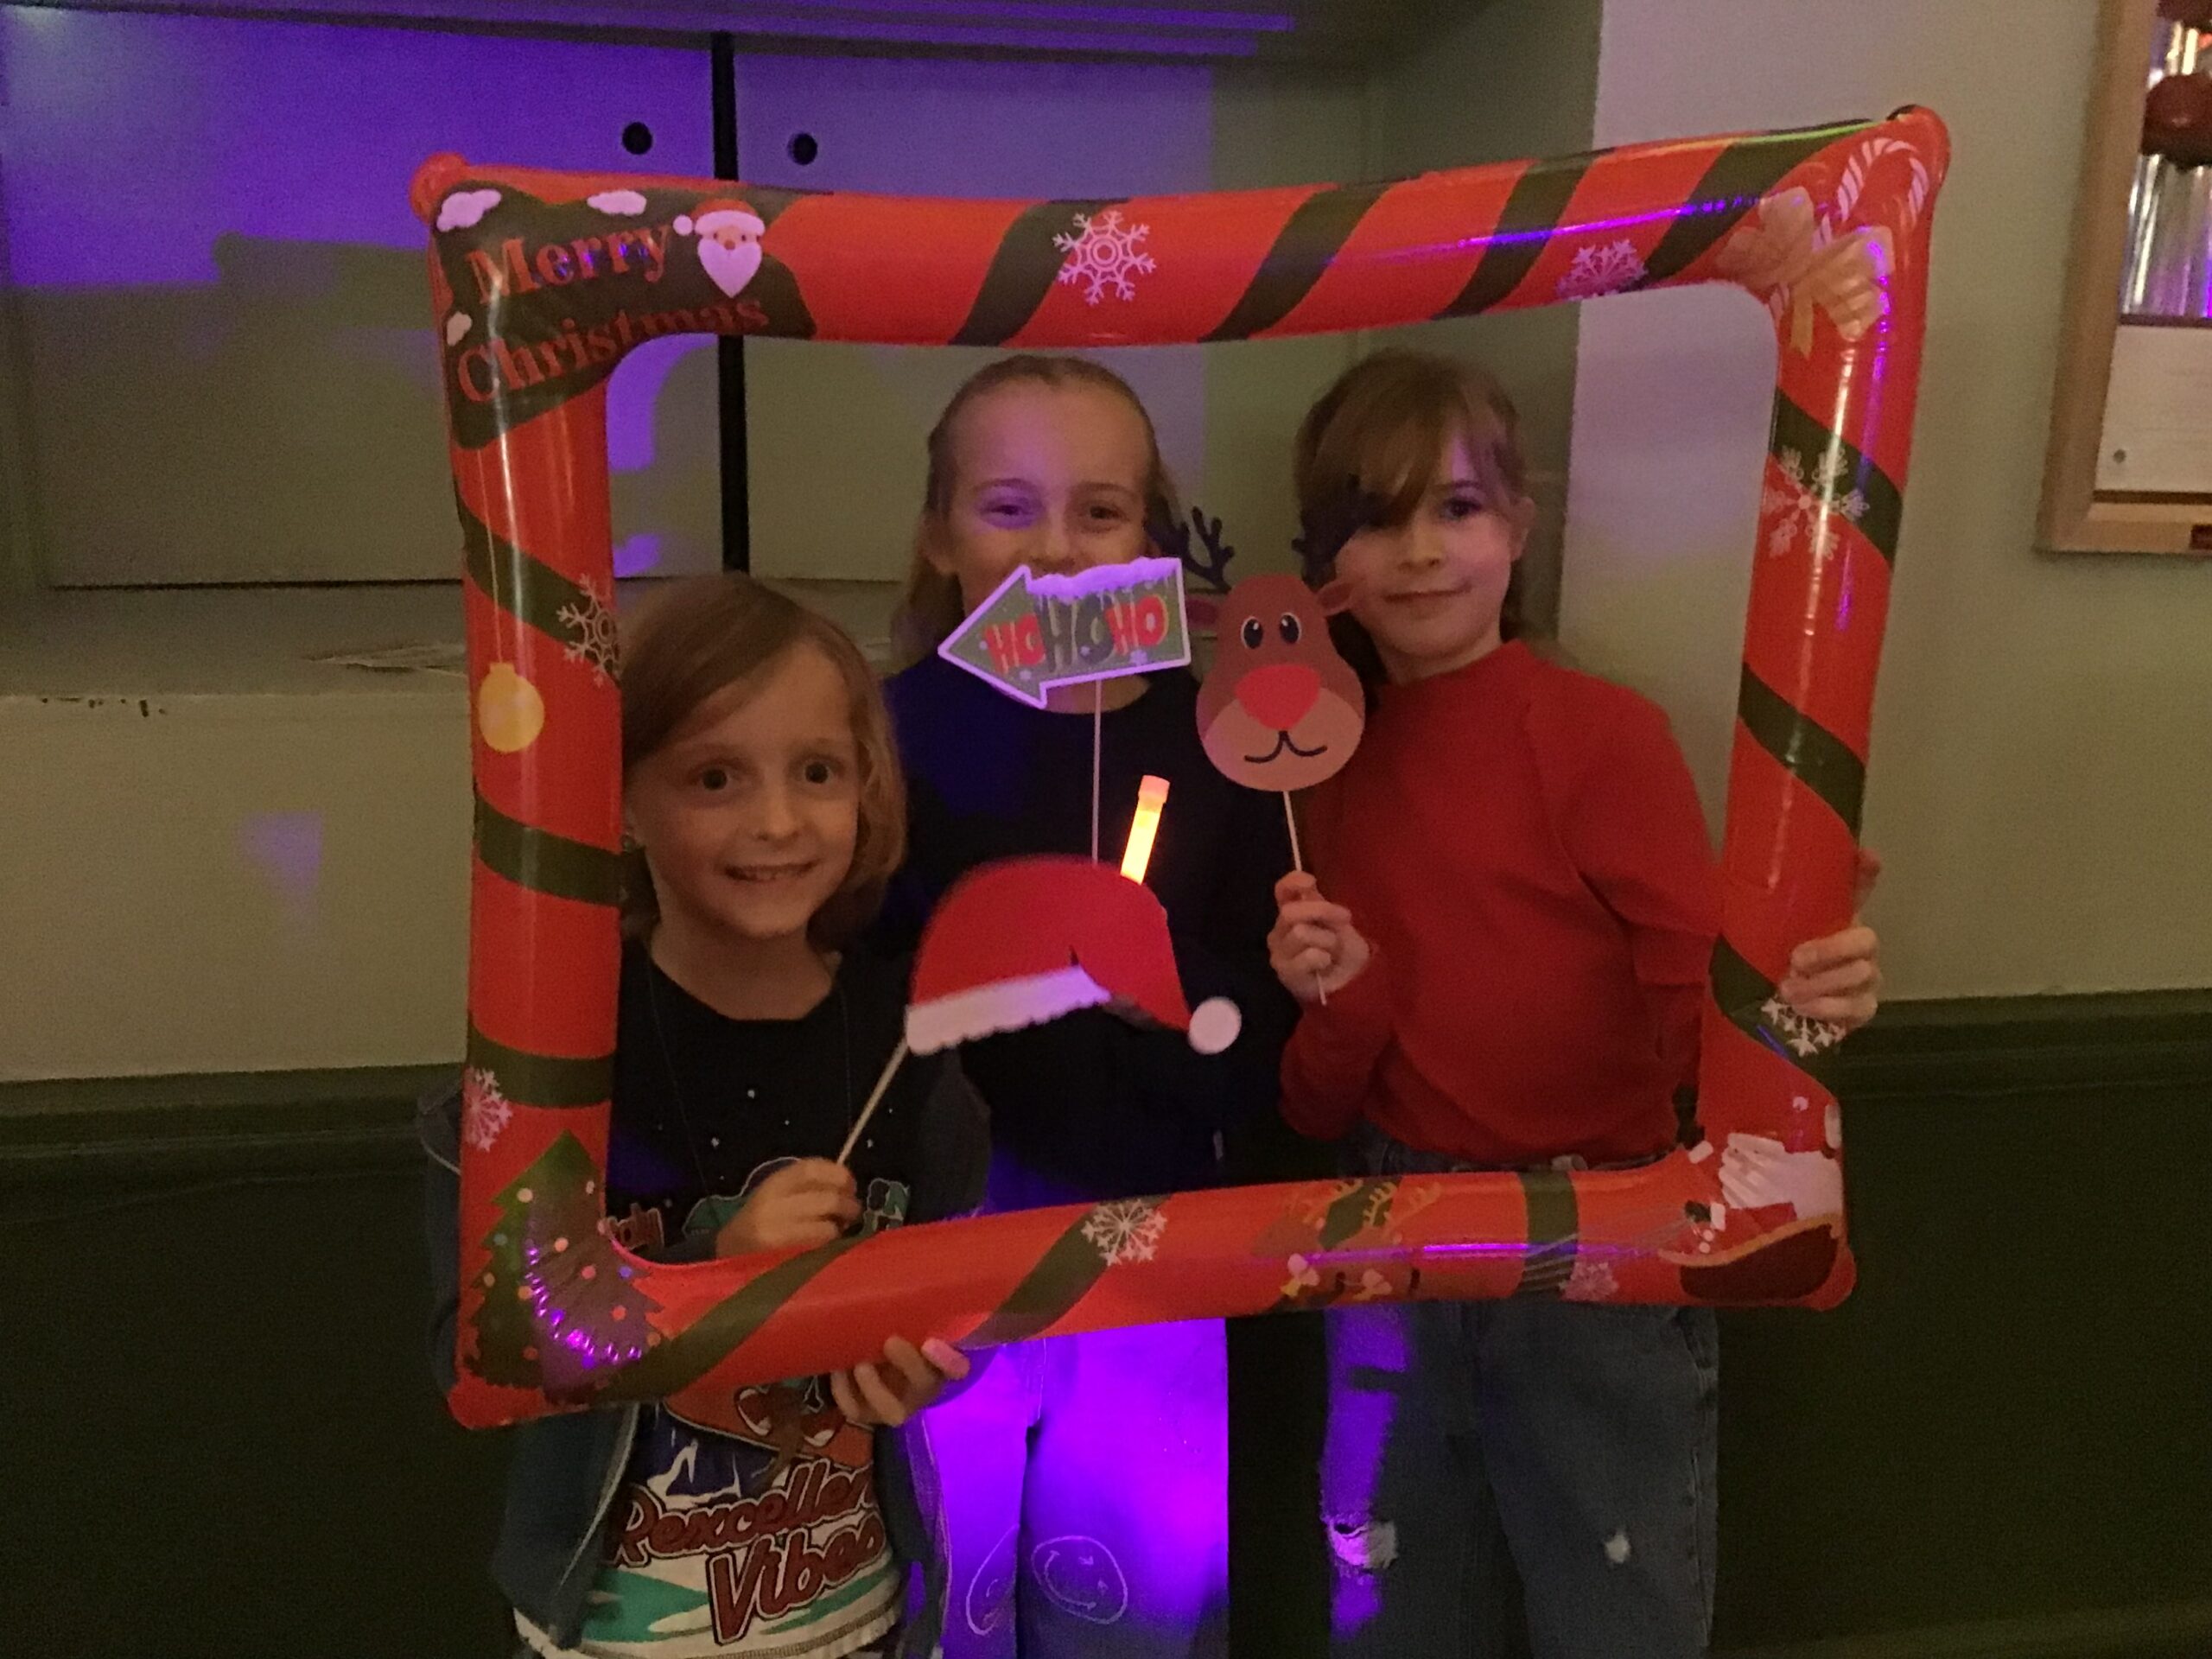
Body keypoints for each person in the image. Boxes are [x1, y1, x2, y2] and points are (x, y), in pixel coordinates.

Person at [1265, 349, 1884, 1659]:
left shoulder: (1601, 736)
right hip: (1389, 1236)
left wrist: (1788, 1018)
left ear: (1519, 527)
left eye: (1456, 507)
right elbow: (1314, 1102)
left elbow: (1695, 1008)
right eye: (1376, 519)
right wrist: (1341, 1001)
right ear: (1324, 562)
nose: (1420, 551)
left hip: (1600, 1232)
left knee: (1619, 1614)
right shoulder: (1314, 770)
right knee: (1395, 1612)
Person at [423, 575, 987, 1658]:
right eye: (715, 777)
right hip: (615, 1637)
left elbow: (965, 1296)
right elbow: (478, 1356)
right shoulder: (559, 1058)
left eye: (816, 772)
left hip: (855, 1617)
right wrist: (717, 1271)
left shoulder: (910, 1047)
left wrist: (933, 1362)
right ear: (623, 798)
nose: (776, 821)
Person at [876, 354, 1298, 1658]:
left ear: (1151, 542)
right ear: (940, 537)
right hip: (939, 1256)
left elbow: (1264, 1036)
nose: (1057, 549)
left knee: (1138, 1607)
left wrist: (1172, 993)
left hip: (1157, 1247)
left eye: (1100, 510)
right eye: (1008, 507)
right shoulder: (884, 738)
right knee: (948, 1597)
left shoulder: (1221, 744)